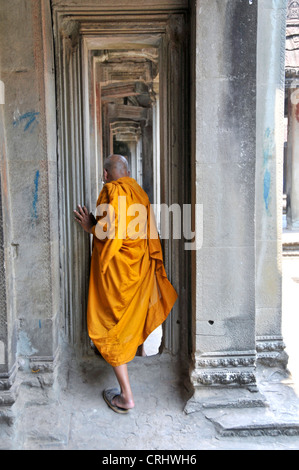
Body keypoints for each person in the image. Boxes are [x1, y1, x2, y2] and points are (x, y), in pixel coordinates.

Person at [74, 154, 177, 414]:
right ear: (127, 172)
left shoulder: (111, 190)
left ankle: (126, 397)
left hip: (117, 274)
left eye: (103, 174)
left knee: (111, 326)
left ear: (106, 175)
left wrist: (90, 227)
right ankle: (139, 352)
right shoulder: (139, 192)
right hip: (138, 269)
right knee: (133, 316)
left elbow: (110, 234)